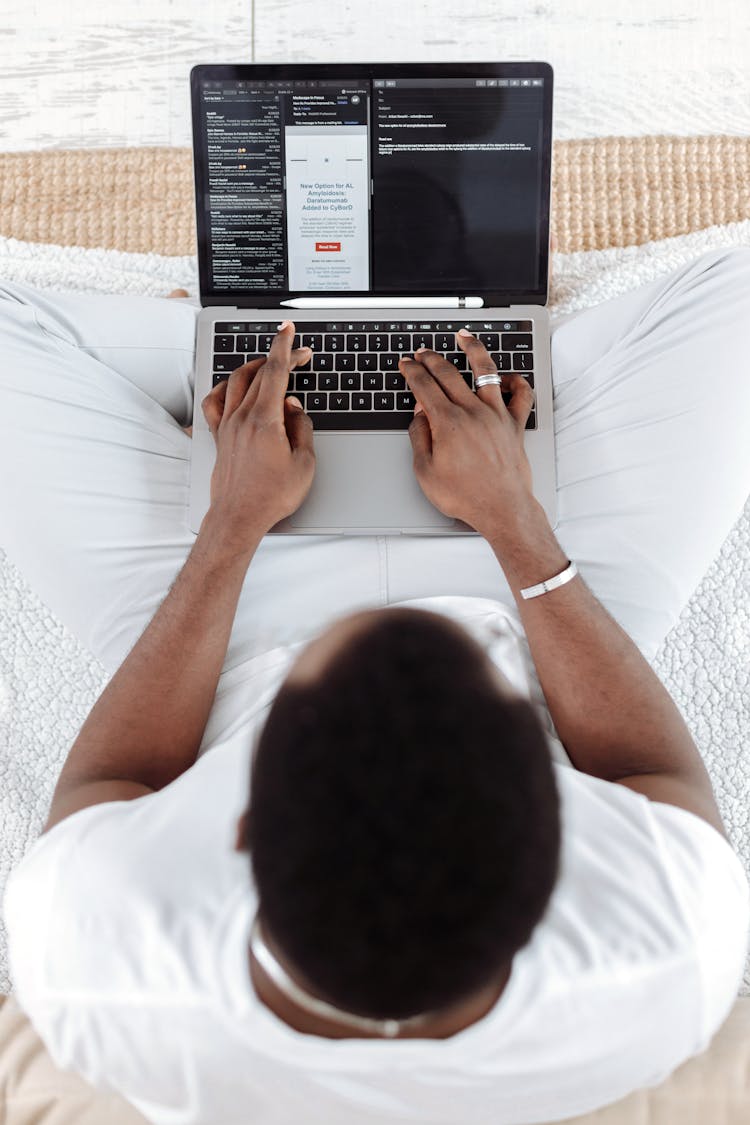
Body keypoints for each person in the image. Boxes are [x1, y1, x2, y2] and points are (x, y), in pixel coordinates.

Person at [2, 248, 749, 1125]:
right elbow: (648, 769)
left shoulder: (98, 963)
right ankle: (501, 364)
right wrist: (514, 522)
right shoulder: (668, 955)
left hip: (235, 623)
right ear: (557, 833)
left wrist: (232, 524)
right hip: (530, 602)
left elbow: (108, 783)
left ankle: (244, 350)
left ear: (239, 828)